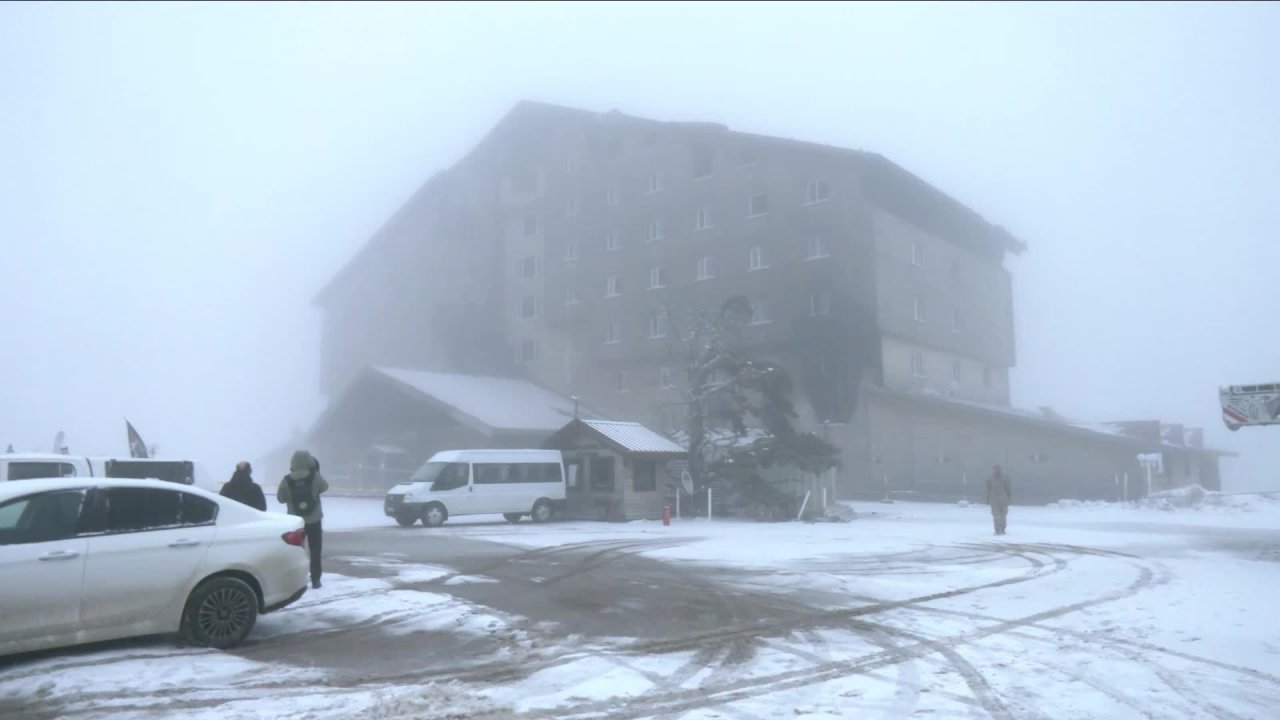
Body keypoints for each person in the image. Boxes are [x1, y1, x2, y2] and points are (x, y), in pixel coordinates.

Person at [278, 450, 329, 588]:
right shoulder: (315, 477)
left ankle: (293, 580)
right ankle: (316, 579)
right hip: (314, 520)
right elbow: (325, 487)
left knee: (295, 551)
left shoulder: (286, 480)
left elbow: (280, 499)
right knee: (315, 550)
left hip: (295, 522)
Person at [986, 464, 1012, 536]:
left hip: (1003, 499)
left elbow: (1008, 489)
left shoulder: (1005, 478)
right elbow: (988, 489)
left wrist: (1009, 499)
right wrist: (987, 498)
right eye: (995, 469)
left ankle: (1003, 529)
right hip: (994, 499)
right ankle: (997, 529)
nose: (996, 470)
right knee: (996, 515)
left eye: (998, 469)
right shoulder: (990, 478)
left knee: (1003, 515)